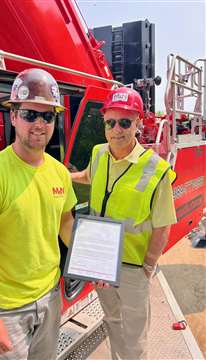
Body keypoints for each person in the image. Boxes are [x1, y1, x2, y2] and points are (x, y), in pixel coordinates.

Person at [0, 68, 76, 360]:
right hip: (7, 309)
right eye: (29, 115)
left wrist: (91, 261)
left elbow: (65, 221)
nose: (39, 124)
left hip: (49, 297)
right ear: (13, 116)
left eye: (47, 116)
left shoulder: (59, 172)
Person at [71, 87, 177, 360]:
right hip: (100, 262)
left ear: (138, 123)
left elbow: (163, 224)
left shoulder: (157, 169)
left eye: (125, 122)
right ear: (104, 123)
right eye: (111, 122)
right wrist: (62, 175)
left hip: (132, 267)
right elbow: (88, 176)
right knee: (112, 321)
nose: (117, 129)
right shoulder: (98, 153)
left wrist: (148, 266)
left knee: (134, 335)